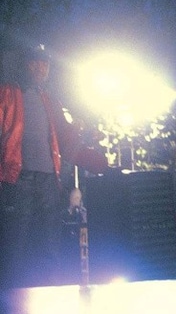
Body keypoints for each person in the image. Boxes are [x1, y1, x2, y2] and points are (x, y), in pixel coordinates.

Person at [1, 44, 108, 286]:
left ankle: (46, 295)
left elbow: (67, 139)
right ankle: (11, 306)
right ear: (24, 64)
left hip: (49, 182)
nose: (41, 68)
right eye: (35, 62)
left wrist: (96, 161)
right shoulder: (7, 94)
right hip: (18, 181)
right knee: (15, 247)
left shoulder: (50, 101)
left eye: (45, 63)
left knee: (50, 246)